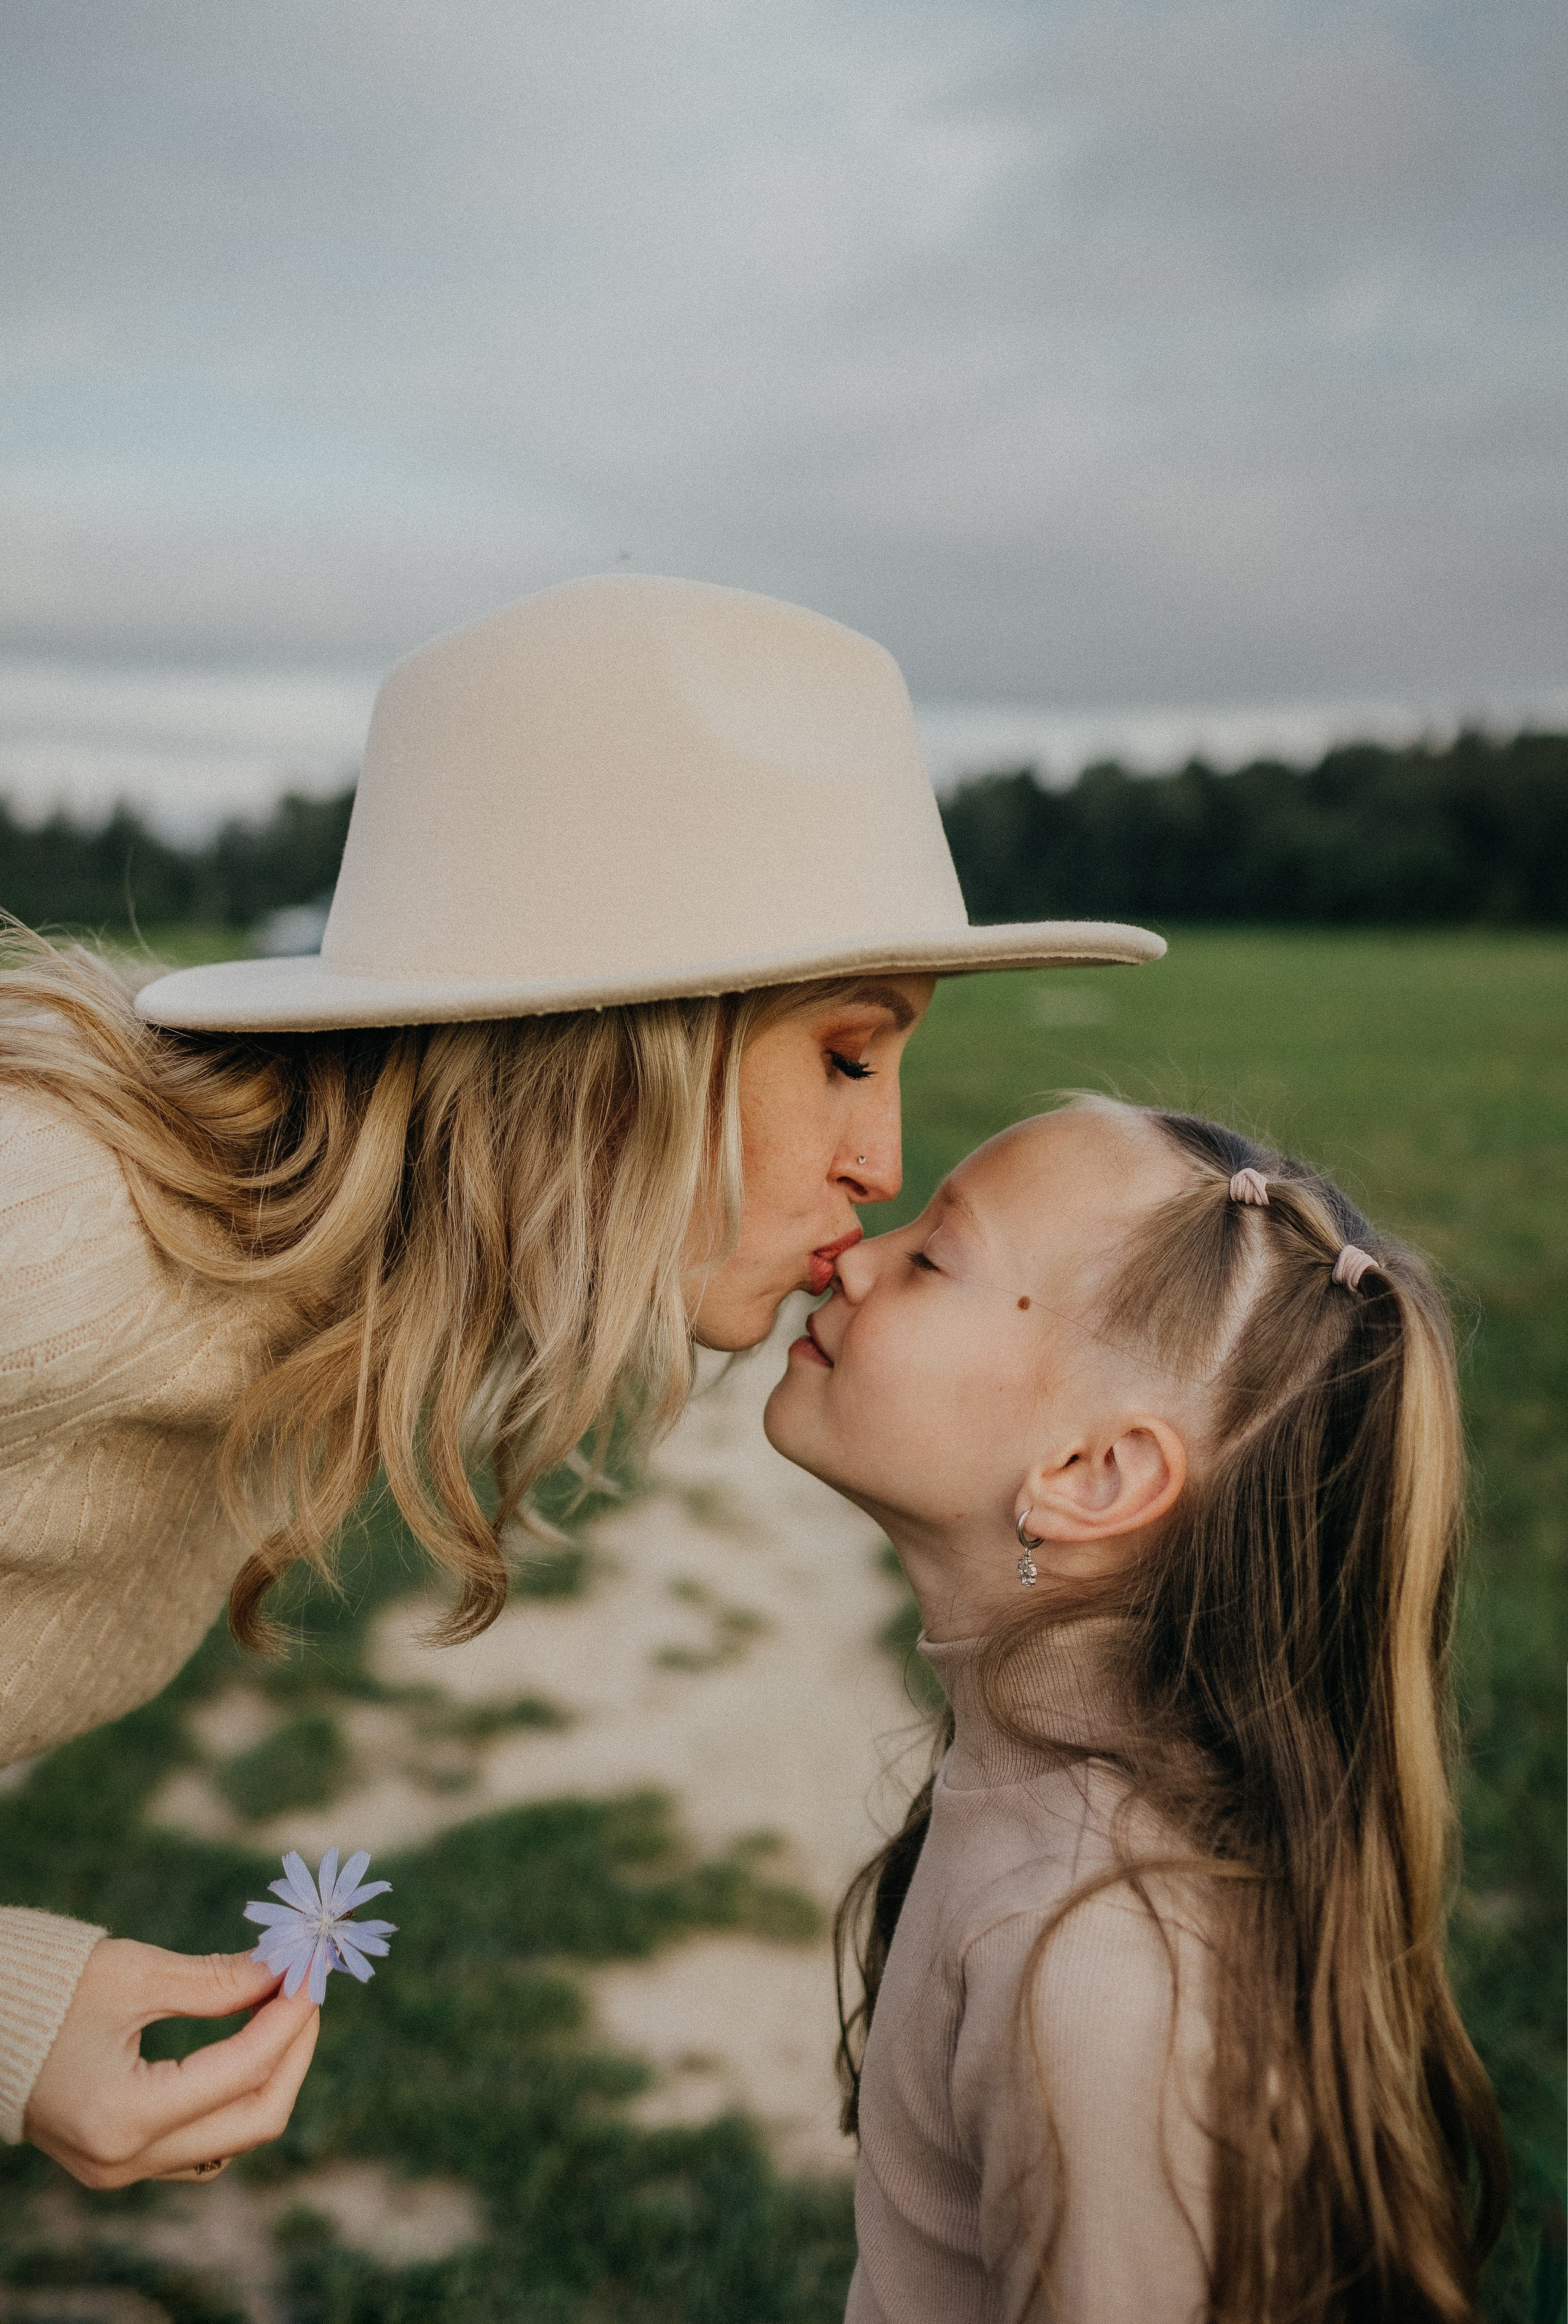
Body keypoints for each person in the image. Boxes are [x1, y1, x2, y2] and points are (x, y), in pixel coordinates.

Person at [0, 573, 1161, 2189]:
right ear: (613, 1048)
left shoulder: (309, 1305)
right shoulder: (53, 1244)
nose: (883, 1164)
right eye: (844, 1053)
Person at [763, 1097, 1507, 2322]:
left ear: (1089, 1474)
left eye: (933, 1255)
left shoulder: (1102, 1989)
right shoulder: (1040, 1794)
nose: (850, 1254)